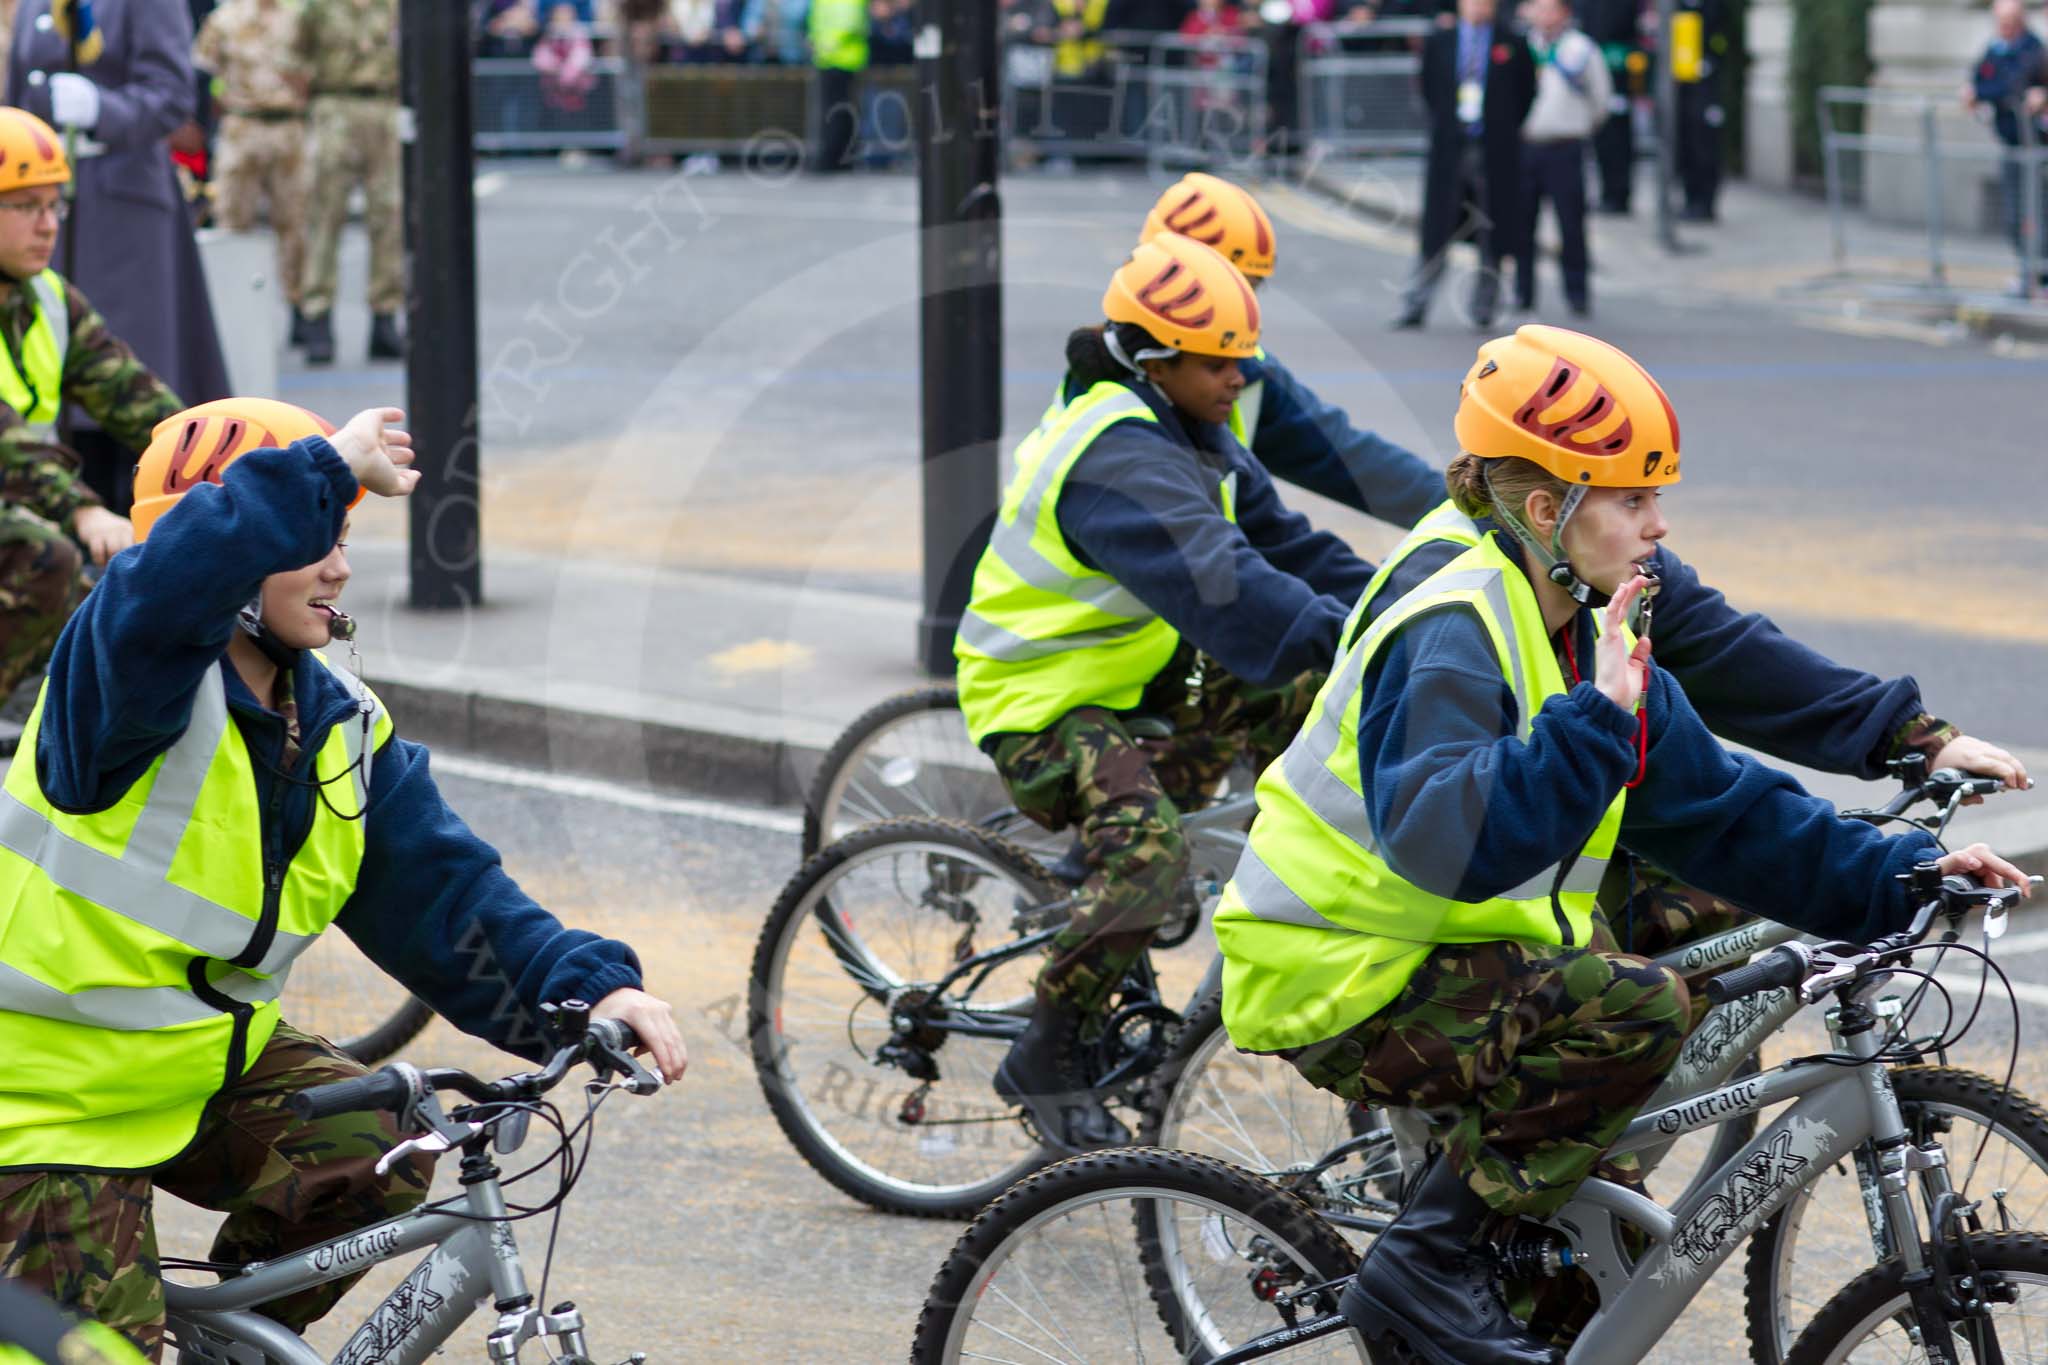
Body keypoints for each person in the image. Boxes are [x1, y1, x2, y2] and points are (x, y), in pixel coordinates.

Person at [1211, 325, 2031, 1365]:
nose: (1658, 525)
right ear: (1547, 509)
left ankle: (1526, 1218)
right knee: (1632, 1007)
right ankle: (1425, 1261)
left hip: (1448, 938)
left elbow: (1718, 810)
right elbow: (1442, 845)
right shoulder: (1454, 624)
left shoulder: (1580, 612)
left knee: (1582, 1251)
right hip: (1341, 968)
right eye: (1633, 500)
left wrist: (1899, 870)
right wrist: (1596, 720)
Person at [0, 398, 689, 1358]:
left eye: (345, 535)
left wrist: (586, 987)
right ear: (233, 550)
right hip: (37, 1112)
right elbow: (158, 593)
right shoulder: (119, 687)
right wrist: (323, 467)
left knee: (390, 1134)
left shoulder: (338, 724)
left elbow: (448, 897)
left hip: (197, 1074)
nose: (340, 563)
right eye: (318, 534)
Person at [955, 235, 1378, 1150]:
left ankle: (1290, 874)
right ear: (1155, 360)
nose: (1241, 378)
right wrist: (1351, 634)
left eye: (1244, 360)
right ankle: (1046, 1051)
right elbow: (1231, 583)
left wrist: (1407, 606)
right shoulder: (1117, 456)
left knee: (1314, 702)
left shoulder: (1192, 431)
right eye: (1221, 363)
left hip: (1135, 674)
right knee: (1152, 864)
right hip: (1040, 696)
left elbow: (1293, 546)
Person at [5, 0, 230, 513]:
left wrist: (101, 110)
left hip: (125, 216)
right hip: (48, 206)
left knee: (129, 373)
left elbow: (173, 95)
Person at [1134, 172, 1445, 528]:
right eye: (1229, 290)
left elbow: (1350, 461)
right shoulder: (1114, 409)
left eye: (1250, 291)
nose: (1245, 311)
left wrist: (1475, 511)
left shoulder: (1245, 375)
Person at [0, 106, 174, 710]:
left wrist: (225, 452)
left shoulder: (47, 300)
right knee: (51, 559)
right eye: (25, 207)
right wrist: (83, 510)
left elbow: (136, 397)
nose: (47, 225)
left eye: (54, 206)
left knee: (113, 597)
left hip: (22, 503)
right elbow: (6, 442)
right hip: (24, 508)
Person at [1393, 0, 1536, 329]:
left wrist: (1502, 129)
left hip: (1494, 149)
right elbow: (1428, 89)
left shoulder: (1511, 41)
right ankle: (1415, 305)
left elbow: (1526, 93)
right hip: (1451, 148)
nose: (1478, 6)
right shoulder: (1440, 39)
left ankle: (1484, 307)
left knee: (1492, 231)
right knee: (1435, 233)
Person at [191, 0, 311, 346]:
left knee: (294, 223)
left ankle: (300, 309)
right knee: (232, 222)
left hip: (288, 127)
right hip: (241, 127)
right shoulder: (225, 19)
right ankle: (231, 309)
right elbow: (202, 72)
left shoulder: (297, 17)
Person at [293, 0, 403, 366]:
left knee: (388, 218)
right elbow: (296, 51)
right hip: (333, 106)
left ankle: (384, 318)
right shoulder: (318, 5)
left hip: (384, 107)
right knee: (325, 216)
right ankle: (318, 317)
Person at [1510, 0, 1607, 316]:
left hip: (1566, 147)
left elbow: (1600, 100)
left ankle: (1577, 294)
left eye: (1551, 8)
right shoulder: (1519, 46)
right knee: (1522, 224)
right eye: (1538, 7)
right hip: (1527, 146)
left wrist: (1578, 127)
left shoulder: (1580, 49)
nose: (1544, 14)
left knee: (1571, 224)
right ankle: (1523, 293)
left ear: (1565, 13)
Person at [1963, 0, 2048, 294]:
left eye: (2010, 20)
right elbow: (1979, 79)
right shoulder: (1996, 49)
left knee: (2039, 213)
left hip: (2037, 148)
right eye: (2000, 21)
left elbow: (2011, 86)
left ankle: (2041, 276)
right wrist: (1975, 91)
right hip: (2011, 144)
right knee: (2016, 215)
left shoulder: (2033, 50)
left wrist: (1982, 92)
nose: (2005, 27)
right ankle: (2028, 273)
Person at [1580, 0, 1642, 214]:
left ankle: (1618, 194)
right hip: (1591, 62)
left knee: (1616, 135)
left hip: (1616, 67)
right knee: (1600, 137)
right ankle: (1608, 192)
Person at [1671, 0, 1730, 222]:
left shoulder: (1711, 6)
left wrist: (1711, 60)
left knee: (1704, 143)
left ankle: (1705, 203)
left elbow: (1721, 37)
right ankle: (1690, 198)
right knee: (1685, 141)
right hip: (1683, 78)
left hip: (1705, 80)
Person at [809, 0, 867, 171]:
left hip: (845, 61)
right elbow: (815, 21)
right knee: (832, 111)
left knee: (839, 112)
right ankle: (836, 157)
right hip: (826, 60)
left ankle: (835, 158)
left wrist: (828, 44)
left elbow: (852, 22)